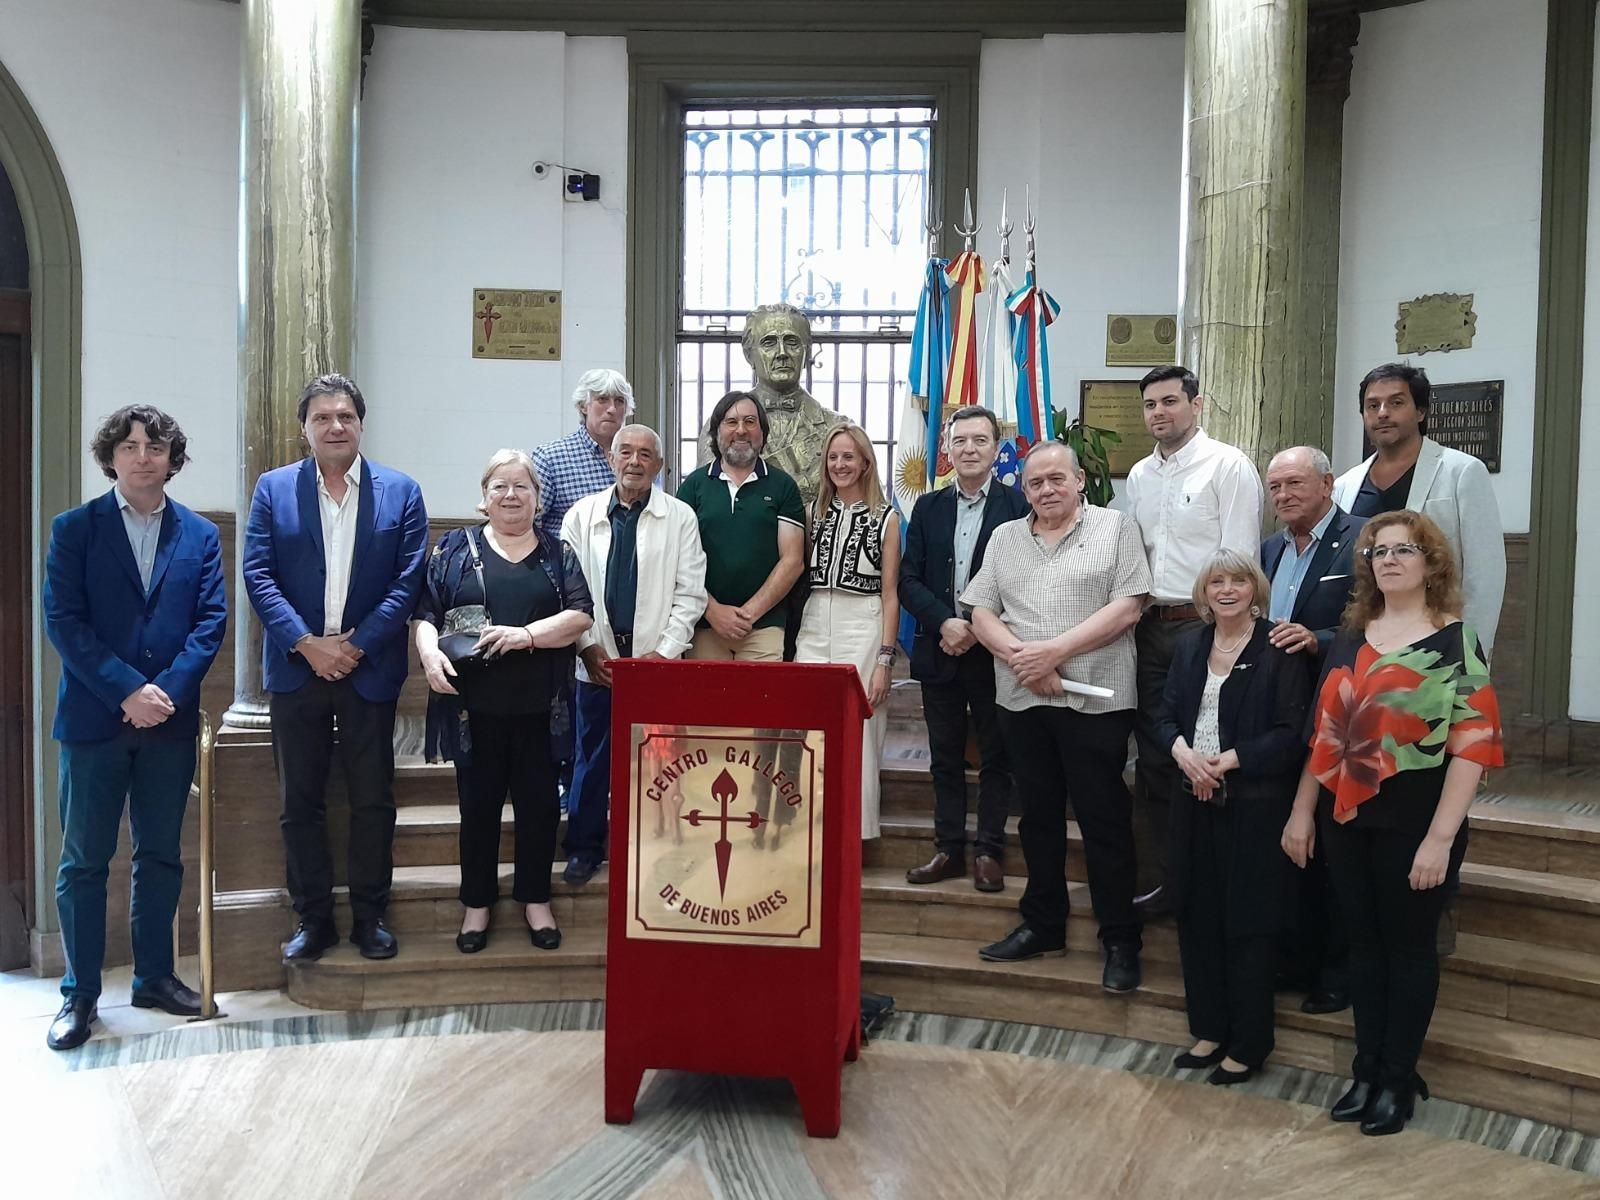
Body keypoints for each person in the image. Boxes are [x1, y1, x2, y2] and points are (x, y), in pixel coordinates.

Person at [1282, 511, 1503, 1136]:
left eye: (1404, 550)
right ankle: (1368, 1068)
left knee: (1408, 950)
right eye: (1379, 552)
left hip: (1418, 822)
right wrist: (1303, 811)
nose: (1390, 560)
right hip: (1346, 818)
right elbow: (1324, 737)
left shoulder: (1457, 640)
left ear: (1431, 562)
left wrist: (1439, 839)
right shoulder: (1351, 636)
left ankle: (1398, 1078)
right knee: (1363, 947)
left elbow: (1474, 743)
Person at [41, 407, 228, 1050]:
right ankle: (80, 994)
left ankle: (154, 977)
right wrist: (127, 691)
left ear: (173, 457)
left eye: (156, 446)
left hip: (168, 726)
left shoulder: (201, 535)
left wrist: (164, 695)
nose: (143, 455)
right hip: (94, 721)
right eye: (129, 445)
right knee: (85, 861)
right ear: (110, 457)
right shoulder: (75, 529)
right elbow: (64, 622)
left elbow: (210, 624)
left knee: (161, 856)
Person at [242, 373, 429, 963]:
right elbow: (257, 573)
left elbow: (408, 580)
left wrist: (356, 645)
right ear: (305, 428)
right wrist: (306, 643)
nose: (335, 426)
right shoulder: (273, 489)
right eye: (322, 417)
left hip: (368, 670)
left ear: (361, 423)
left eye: (345, 415)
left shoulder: (401, 491)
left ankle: (371, 916)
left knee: (373, 798)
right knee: (301, 802)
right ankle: (313, 918)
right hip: (298, 671)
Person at [961, 442, 1151, 993]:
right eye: (1036, 482)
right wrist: (1025, 660)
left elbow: (1129, 605)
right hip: (1023, 699)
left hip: (1096, 700)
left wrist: (1054, 654)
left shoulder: (1116, 529)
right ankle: (1044, 925)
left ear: (1079, 480)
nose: (1046, 490)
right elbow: (980, 610)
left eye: (1056, 479)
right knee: (1038, 818)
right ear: (1025, 489)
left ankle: (1120, 938)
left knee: (1104, 819)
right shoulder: (1004, 538)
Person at [414, 450, 593, 950]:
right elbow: (426, 612)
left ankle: (536, 900)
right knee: (478, 808)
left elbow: (581, 615)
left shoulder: (558, 555)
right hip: (475, 707)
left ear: (538, 499)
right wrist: (429, 657)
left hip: (540, 710)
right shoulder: (453, 547)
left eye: (522, 486)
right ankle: (477, 905)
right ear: (484, 496)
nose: (511, 495)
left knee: (538, 809)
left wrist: (525, 635)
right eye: (500, 486)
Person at [1155, 551, 1311, 1086]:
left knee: (1247, 922)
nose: (1226, 590)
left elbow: (1294, 734)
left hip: (1253, 803)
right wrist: (1183, 754)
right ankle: (1208, 1029)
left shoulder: (1278, 648)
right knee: (1195, 914)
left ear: (1255, 589)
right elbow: (1164, 713)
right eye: (1216, 581)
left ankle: (1249, 1042)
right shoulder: (1189, 645)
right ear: (1203, 590)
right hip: (1189, 793)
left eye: (1238, 580)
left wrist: (1228, 761)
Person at [1122, 365, 1263, 918]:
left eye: (1170, 402)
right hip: (1149, 622)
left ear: (1196, 404)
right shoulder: (1138, 476)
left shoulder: (1227, 465)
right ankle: (1162, 877)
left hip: (1204, 624)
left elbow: (1240, 556)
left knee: (1208, 747)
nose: (1160, 412)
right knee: (1157, 753)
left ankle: (1211, 877)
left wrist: (1226, 628)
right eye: (1151, 405)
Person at [559, 424, 707, 886]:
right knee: (592, 759)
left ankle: (657, 848)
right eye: (626, 452)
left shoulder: (680, 517)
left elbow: (691, 595)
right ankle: (585, 848)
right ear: (611, 459)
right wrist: (586, 650)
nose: (635, 461)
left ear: (659, 466)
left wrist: (663, 657)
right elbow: (567, 592)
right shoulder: (580, 516)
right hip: (596, 662)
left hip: (657, 665)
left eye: (646, 454)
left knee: (663, 761)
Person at [898, 405, 1029, 891]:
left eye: (980, 440)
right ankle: (948, 848)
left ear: (997, 449)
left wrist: (975, 624)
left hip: (996, 655)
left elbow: (1023, 581)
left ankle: (989, 851)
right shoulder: (927, 507)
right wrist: (945, 622)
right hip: (940, 650)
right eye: (960, 441)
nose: (969, 449)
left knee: (997, 757)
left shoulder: (1018, 507)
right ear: (946, 450)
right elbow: (907, 578)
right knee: (945, 757)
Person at [1261, 445, 1367, 1015]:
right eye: (1275, 488)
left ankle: (1338, 969)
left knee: (1332, 848)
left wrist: (1317, 638)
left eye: (1295, 484)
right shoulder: (1270, 548)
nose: (1283, 497)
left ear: (1327, 483)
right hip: (1283, 709)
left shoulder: (1364, 538)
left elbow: (1376, 618)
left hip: (1341, 710)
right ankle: (1296, 957)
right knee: (1289, 844)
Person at [1332, 363, 1505, 653]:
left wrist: (1470, 654)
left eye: (1396, 402)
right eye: (1372, 405)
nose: (1383, 412)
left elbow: (1485, 576)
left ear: (1421, 411)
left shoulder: (1461, 472)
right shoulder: (1345, 485)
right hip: (1365, 642)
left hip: (1436, 641)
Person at [795, 423, 900, 840]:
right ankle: (809, 829)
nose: (840, 464)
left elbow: (891, 595)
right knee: (808, 723)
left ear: (865, 463)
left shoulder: (886, 517)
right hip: (816, 617)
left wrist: (884, 661)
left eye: (848, 457)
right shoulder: (813, 513)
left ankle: (855, 832)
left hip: (864, 621)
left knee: (859, 728)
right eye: (833, 457)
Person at [677, 390, 806, 663]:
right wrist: (712, 611)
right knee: (708, 706)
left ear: (762, 432)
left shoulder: (783, 486)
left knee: (760, 705)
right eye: (731, 422)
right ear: (717, 431)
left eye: (750, 421)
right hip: (703, 626)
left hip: (764, 627)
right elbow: (677, 560)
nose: (741, 430)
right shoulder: (694, 487)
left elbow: (793, 561)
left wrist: (747, 615)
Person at [734, 302, 846, 508]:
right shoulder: (725, 426)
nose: (782, 352)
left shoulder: (837, 427)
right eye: (769, 343)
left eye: (792, 342)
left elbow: (859, 502)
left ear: (807, 352)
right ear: (749, 354)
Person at [532, 368, 631, 547]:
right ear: (583, 406)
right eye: (602, 399)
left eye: (619, 401)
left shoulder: (640, 459)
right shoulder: (550, 458)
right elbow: (529, 524)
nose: (611, 409)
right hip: (568, 568)